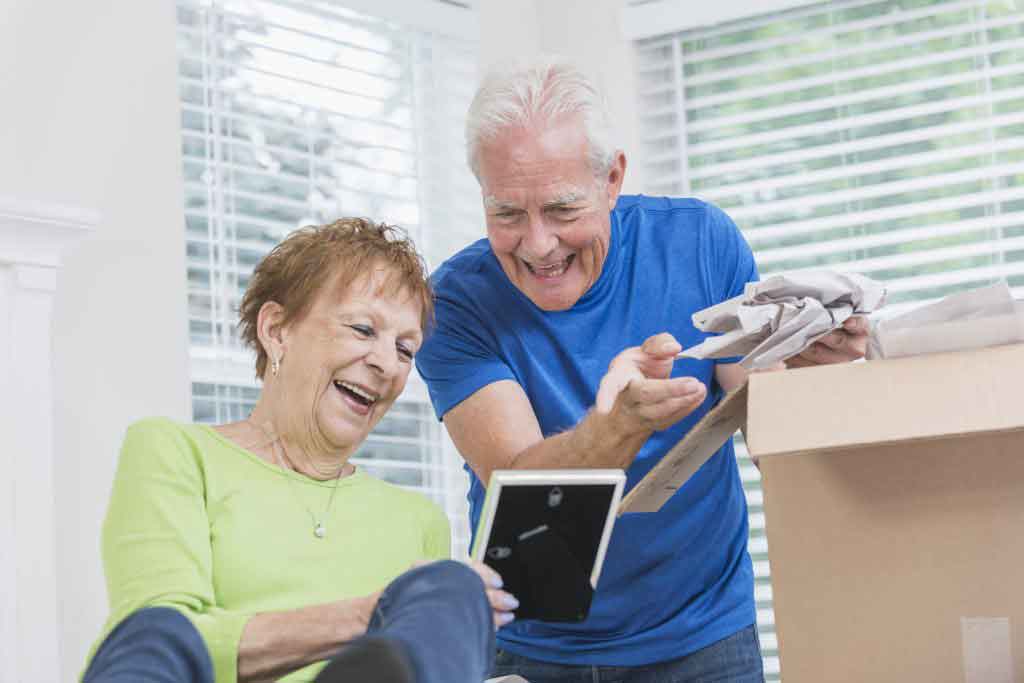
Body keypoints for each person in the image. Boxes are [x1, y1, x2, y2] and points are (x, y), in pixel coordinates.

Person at [415, 57, 868, 682]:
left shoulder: (700, 242)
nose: (538, 244)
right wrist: (615, 429)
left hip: (704, 634)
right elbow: (517, 482)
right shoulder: (455, 303)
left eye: (562, 209)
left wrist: (806, 368)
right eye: (507, 214)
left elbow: (766, 432)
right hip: (537, 648)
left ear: (612, 179)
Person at [82, 218, 517, 683]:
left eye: (406, 349)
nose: (387, 363)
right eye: (363, 328)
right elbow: (160, 651)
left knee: (453, 589)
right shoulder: (175, 452)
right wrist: (370, 616)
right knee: (155, 634)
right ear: (276, 330)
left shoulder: (417, 521)